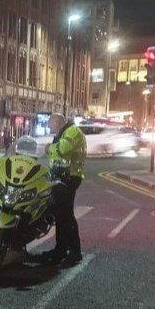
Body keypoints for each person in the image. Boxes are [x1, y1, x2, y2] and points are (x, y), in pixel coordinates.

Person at [41, 113, 87, 266]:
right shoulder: (63, 132)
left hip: (69, 178)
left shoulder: (72, 131)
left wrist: (49, 148)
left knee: (66, 216)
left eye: (50, 123)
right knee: (61, 216)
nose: (49, 126)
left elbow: (63, 150)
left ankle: (75, 253)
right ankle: (60, 250)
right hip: (60, 178)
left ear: (59, 122)